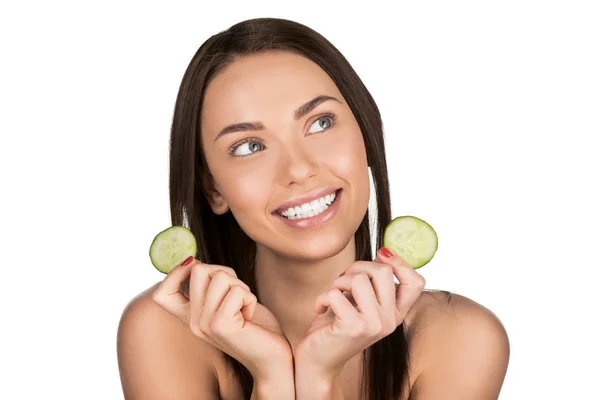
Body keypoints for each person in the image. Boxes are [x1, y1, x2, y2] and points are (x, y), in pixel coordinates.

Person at [116, 17, 510, 400]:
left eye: (321, 123)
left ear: (366, 136)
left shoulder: (462, 338)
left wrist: (320, 378)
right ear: (213, 189)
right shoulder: (162, 331)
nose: (299, 169)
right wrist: (270, 376)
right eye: (249, 146)